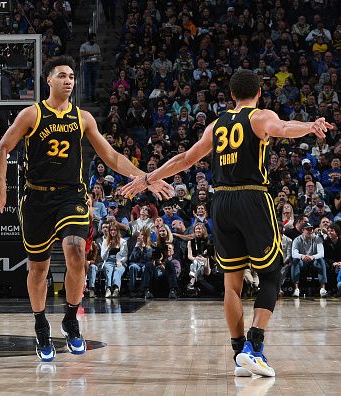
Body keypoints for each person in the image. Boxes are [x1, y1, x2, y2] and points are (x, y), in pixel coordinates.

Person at [121, 69, 332, 377]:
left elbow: (186, 159)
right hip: (252, 197)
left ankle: (238, 353)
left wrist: (148, 178)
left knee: (231, 284)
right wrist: (310, 126)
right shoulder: (259, 117)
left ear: (232, 95)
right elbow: (284, 127)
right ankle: (254, 347)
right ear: (259, 92)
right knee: (271, 275)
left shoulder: (217, 125)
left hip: (220, 203)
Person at [0, 55, 171, 362]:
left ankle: (71, 319)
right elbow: (2, 149)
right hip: (36, 198)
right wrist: (2, 188)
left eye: (72, 76)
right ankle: (39, 324)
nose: (69, 80)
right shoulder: (32, 115)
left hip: (72, 195)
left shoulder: (83, 118)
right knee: (39, 268)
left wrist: (146, 178)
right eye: (62, 75)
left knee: (76, 252)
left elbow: (112, 157)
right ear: (49, 80)